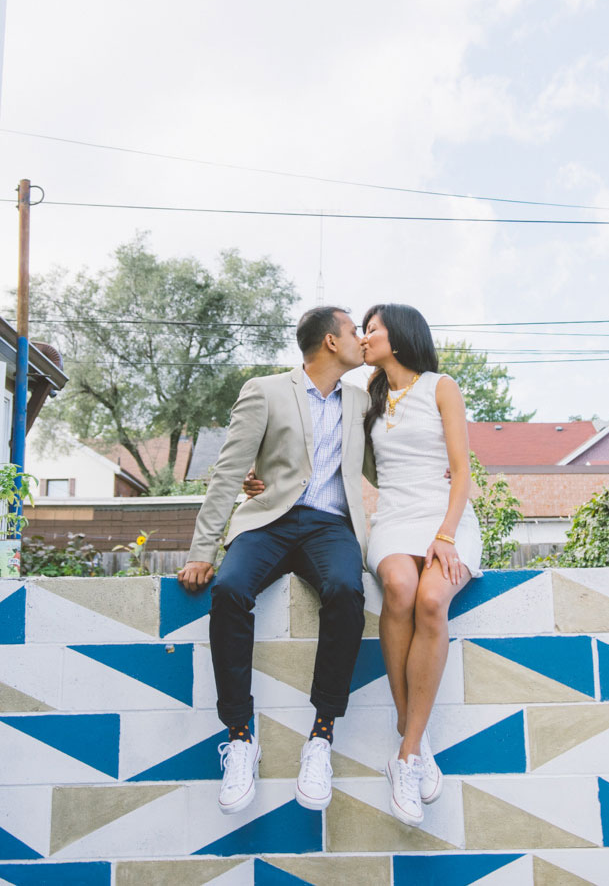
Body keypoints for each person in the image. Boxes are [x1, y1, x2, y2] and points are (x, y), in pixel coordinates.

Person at [178, 306, 370, 816]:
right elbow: (228, 472)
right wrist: (202, 552)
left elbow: (385, 461)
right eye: (354, 332)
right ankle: (240, 738)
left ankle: (321, 737)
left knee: (348, 593)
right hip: (269, 521)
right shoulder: (264, 390)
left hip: (331, 527)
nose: (362, 341)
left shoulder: (361, 399)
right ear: (330, 341)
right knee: (228, 589)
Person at [360, 303, 482, 827]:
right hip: (391, 519)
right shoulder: (366, 397)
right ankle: (416, 737)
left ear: (400, 334)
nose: (364, 338)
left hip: (444, 516)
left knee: (433, 600)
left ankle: (405, 755)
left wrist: (446, 535)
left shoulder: (441, 386)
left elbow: (462, 472)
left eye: (372, 330)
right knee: (401, 588)